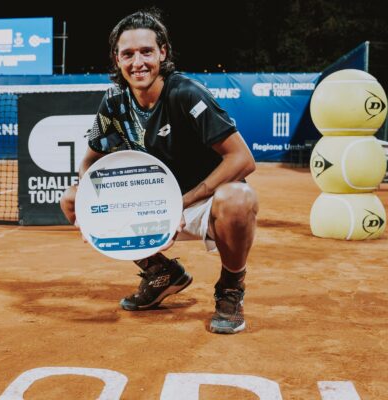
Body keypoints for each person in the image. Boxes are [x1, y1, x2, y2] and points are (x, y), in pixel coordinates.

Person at [60, 8, 258, 334]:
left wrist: (181, 202)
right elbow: (89, 161)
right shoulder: (113, 104)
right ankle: (162, 274)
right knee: (70, 198)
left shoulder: (185, 94)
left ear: (162, 53)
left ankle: (230, 287)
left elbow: (242, 160)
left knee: (239, 198)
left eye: (146, 52)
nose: (137, 62)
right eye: (128, 54)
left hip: (198, 204)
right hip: (150, 207)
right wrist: (86, 203)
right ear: (117, 59)